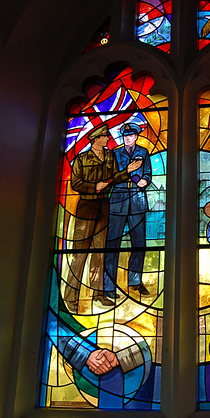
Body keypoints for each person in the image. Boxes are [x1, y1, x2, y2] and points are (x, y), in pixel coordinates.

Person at [64, 125, 142, 313]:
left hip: (104, 206)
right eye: (105, 136)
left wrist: (128, 171)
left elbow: (114, 178)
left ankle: (98, 293)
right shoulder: (82, 159)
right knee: (79, 253)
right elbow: (76, 183)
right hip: (87, 206)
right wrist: (94, 186)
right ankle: (71, 296)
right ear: (96, 139)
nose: (108, 139)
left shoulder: (109, 157)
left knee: (100, 251)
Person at [104, 122, 152, 297]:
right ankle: (108, 285)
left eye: (131, 135)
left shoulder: (143, 152)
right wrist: (128, 170)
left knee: (139, 244)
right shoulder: (115, 154)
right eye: (125, 136)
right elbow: (111, 177)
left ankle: (135, 281)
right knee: (112, 244)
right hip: (118, 200)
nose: (128, 138)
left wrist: (145, 181)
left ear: (136, 136)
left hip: (138, 200)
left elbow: (148, 173)